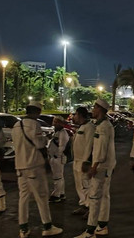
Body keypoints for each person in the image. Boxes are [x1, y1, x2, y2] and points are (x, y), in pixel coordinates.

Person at [11, 101, 63, 238]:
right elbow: (40, 145)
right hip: (33, 166)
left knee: (23, 198)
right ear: (37, 112)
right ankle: (47, 226)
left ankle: (23, 229)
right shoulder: (35, 125)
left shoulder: (16, 125)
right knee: (42, 197)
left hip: (20, 166)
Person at [75, 99, 116, 238]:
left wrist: (94, 166)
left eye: (94, 107)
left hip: (101, 167)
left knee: (94, 198)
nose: (92, 110)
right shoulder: (102, 125)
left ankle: (90, 231)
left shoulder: (104, 127)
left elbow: (101, 150)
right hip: (105, 166)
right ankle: (102, 226)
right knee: (104, 197)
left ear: (100, 109)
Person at [71, 107, 95, 216]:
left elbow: (89, 145)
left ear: (80, 115)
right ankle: (83, 204)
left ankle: (90, 207)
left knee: (86, 185)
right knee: (79, 185)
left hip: (83, 161)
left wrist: (86, 161)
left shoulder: (89, 127)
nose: (73, 116)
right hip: (76, 160)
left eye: (75, 114)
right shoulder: (81, 127)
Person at [48, 115, 70, 203]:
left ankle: (56, 195)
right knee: (60, 177)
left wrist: (57, 155)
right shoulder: (57, 132)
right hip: (55, 157)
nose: (54, 123)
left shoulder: (63, 133)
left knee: (57, 177)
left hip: (57, 158)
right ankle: (61, 193)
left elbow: (62, 146)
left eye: (56, 122)